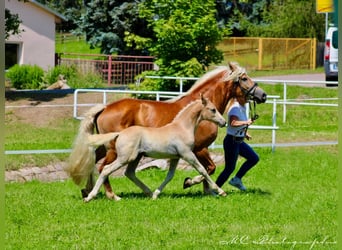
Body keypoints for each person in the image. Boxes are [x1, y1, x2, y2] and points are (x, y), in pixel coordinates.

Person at [215, 96, 259, 191]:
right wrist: (246, 122)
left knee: (254, 158)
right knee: (229, 168)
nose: (248, 98)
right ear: (239, 97)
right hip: (232, 141)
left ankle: (237, 179)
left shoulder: (243, 107)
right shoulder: (235, 108)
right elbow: (233, 123)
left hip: (239, 141)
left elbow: (236, 125)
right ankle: (215, 188)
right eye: (246, 96)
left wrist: (244, 133)